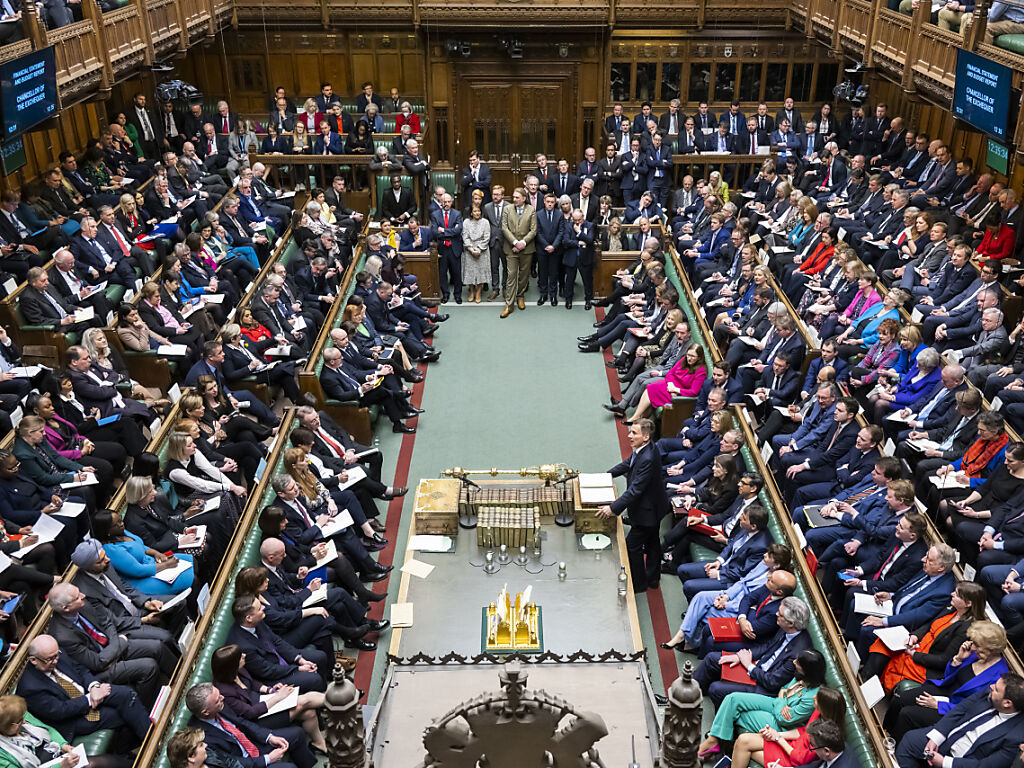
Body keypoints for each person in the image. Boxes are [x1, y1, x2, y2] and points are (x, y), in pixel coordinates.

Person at [16, 634, 151, 746]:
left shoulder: (55, 653)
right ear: (33, 660)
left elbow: (80, 669)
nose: (56, 661)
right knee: (123, 715)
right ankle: (145, 747)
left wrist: (94, 687)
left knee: (127, 695)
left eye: (57, 655)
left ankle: (150, 741)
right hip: (72, 719)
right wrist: (90, 699)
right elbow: (60, 711)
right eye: (50, 659)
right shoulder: (30, 687)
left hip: (88, 692)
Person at [698, 649, 827, 758]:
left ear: (807, 670)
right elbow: (783, 689)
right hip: (777, 704)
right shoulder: (801, 676)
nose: (794, 662)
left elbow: (783, 719)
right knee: (732, 699)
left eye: (798, 662)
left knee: (740, 715)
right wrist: (782, 700)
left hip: (782, 725)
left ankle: (719, 744)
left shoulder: (813, 697)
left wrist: (782, 699)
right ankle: (714, 740)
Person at [596, 419, 670, 592]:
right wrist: (605, 476)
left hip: (647, 512)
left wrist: (612, 508)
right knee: (652, 543)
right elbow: (628, 464)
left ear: (646, 437)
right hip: (655, 506)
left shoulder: (647, 458)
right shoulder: (647, 449)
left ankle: (639, 584)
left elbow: (635, 490)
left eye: (634, 433)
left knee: (631, 547)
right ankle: (653, 579)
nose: (629, 436)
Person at [894, 674, 1024, 768]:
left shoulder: (1016, 737)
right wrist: (936, 738)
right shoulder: (990, 692)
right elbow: (961, 709)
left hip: (962, 762)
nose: (991, 686)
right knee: (909, 741)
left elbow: (985, 765)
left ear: (1007, 703)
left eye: (996, 689)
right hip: (947, 739)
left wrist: (945, 763)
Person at [730, 692, 848, 768]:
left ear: (825, 707)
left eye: (817, 699)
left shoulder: (825, 737)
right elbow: (803, 731)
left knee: (747, 751)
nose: (813, 697)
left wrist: (778, 738)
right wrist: (777, 734)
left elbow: (799, 759)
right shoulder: (818, 713)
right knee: (743, 740)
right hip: (791, 744)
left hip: (792, 758)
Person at [499, 188, 537, 318]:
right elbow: (504, 228)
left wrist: (522, 243)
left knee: (524, 275)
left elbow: (533, 230)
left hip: (527, 249)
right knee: (511, 276)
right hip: (511, 248)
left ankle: (520, 296)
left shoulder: (531, 210)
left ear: (524, 198)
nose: (514, 199)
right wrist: (515, 243)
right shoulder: (507, 209)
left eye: (517, 197)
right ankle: (509, 305)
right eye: (513, 197)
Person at [461, 205, 491, 303]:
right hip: (469, 250)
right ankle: (471, 292)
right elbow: (465, 236)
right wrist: (471, 249)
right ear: (471, 213)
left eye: (478, 211)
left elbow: (486, 237)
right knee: (470, 272)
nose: (477, 213)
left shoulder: (485, 222)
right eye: (475, 211)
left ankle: (478, 292)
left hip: (482, 250)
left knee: (480, 272)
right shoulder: (466, 222)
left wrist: (479, 249)